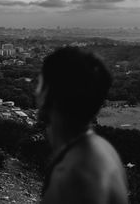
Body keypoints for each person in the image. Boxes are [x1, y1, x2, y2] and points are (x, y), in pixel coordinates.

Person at [36, 47, 128, 204]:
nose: (36, 92)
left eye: (39, 83)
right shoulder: (102, 148)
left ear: (49, 94)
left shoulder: (74, 176)